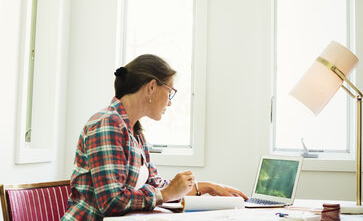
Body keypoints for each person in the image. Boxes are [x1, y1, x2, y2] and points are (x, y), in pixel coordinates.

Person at [62, 54, 247, 220]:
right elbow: (112, 202)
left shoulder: (135, 132)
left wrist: (206, 187)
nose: (170, 102)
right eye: (170, 92)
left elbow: (155, 184)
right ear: (151, 87)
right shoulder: (107, 124)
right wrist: (164, 195)